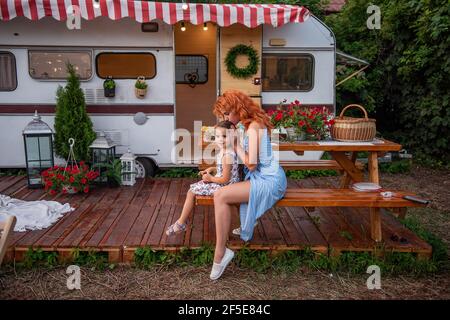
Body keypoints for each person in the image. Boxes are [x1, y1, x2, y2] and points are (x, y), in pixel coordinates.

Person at [209, 90, 287, 280]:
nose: (226, 118)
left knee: (220, 195)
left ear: (238, 108)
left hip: (269, 180)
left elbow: (251, 163)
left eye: (227, 113)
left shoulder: (253, 127)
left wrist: (234, 144)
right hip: (261, 176)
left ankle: (220, 253)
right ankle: (223, 249)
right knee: (221, 192)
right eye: (223, 115)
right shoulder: (246, 125)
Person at [166, 120, 240, 236]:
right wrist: (212, 169)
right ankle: (180, 223)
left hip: (226, 186)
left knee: (191, 192)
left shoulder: (227, 156)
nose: (220, 139)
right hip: (223, 182)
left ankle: (180, 223)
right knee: (192, 190)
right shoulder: (225, 151)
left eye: (224, 136)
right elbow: (222, 170)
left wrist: (210, 178)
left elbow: (225, 179)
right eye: (218, 136)